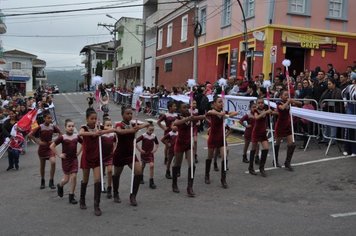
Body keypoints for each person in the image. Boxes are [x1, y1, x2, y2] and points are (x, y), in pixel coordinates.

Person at [78, 108, 115, 216]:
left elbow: (109, 130)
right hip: (86, 157)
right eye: (92, 119)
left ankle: (96, 205)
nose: (94, 120)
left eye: (95, 118)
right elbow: (81, 134)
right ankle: (82, 199)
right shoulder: (84, 127)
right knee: (85, 180)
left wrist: (102, 131)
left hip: (97, 158)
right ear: (87, 119)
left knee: (97, 180)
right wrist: (94, 133)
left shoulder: (99, 127)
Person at [112, 106, 149, 206]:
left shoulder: (133, 124)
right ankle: (115, 193)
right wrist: (132, 130)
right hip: (120, 154)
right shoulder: (119, 124)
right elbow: (120, 131)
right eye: (127, 113)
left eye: (131, 114)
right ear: (122, 115)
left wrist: (139, 127)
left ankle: (133, 196)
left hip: (130, 154)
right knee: (116, 175)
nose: (129, 115)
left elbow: (148, 123)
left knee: (138, 172)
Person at [172, 102, 205, 197]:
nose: (186, 109)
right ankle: (174, 184)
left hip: (188, 144)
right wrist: (188, 119)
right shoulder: (178, 117)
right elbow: (176, 123)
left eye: (187, 107)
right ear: (180, 109)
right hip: (179, 144)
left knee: (192, 165)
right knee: (177, 165)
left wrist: (205, 115)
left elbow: (201, 117)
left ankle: (189, 187)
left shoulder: (191, 116)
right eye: (184, 107)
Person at [205, 97, 237, 188]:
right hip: (212, 138)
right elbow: (209, 113)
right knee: (209, 157)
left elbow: (235, 113)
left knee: (224, 156)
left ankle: (223, 179)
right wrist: (221, 114)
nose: (221, 103)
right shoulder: (213, 111)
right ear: (214, 104)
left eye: (222, 102)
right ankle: (207, 175)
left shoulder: (223, 112)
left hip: (221, 138)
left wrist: (227, 115)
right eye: (219, 102)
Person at [50, 119, 82, 204]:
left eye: (72, 126)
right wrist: (59, 154)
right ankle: (60, 185)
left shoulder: (76, 136)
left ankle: (71, 196)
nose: (71, 128)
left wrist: (78, 153)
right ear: (65, 128)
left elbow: (84, 143)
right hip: (66, 160)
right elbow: (52, 146)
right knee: (66, 179)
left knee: (74, 176)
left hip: (74, 159)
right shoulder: (62, 137)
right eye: (69, 126)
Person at [29, 111, 61, 189]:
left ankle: (51, 181)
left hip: (50, 148)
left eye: (51, 118)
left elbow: (61, 134)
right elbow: (30, 135)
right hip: (42, 149)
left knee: (53, 162)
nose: (50, 119)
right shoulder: (39, 126)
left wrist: (55, 141)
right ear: (44, 118)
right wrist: (39, 142)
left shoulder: (53, 127)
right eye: (48, 118)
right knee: (42, 166)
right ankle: (42, 181)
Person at [274, 90, 302, 170]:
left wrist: (293, 101)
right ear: (281, 97)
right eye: (285, 95)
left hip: (287, 125)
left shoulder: (289, 101)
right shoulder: (278, 103)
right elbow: (282, 108)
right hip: (280, 125)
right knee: (278, 143)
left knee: (292, 144)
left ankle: (287, 162)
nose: (287, 96)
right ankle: (275, 160)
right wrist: (288, 102)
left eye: (287, 95)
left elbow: (300, 104)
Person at [249, 98, 274, 177]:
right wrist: (266, 112)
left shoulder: (266, 109)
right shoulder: (255, 111)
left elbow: (272, 112)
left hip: (263, 133)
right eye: (259, 103)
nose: (261, 104)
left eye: (262, 103)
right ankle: (251, 167)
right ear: (256, 104)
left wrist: (272, 112)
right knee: (253, 150)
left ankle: (261, 167)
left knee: (266, 149)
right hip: (256, 132)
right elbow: (256, 117)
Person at [136, 123, 159, 189]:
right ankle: (141, 177)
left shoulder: (154, 136)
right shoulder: (143, 136)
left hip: (150, 154)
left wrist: (155, 149)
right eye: (150, 130)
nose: (151, 132)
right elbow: (135, 142)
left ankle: (151, 182)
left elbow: (157, 144)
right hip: (144, 153)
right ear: (146, 129)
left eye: (152, 130)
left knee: (152, 165)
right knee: (143, 166)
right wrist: (140, 149)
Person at [100, 118, 117, 199]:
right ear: (103, 126)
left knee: (110, 171)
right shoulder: (101, 134)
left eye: (110, 125)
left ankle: (109, 188)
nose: (109, 127)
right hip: (101, 155)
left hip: (110, 155)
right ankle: (102, 184)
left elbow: (115, 142)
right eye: (107, 125)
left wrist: (114, 150)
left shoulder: (113, 134)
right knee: (102, 172)